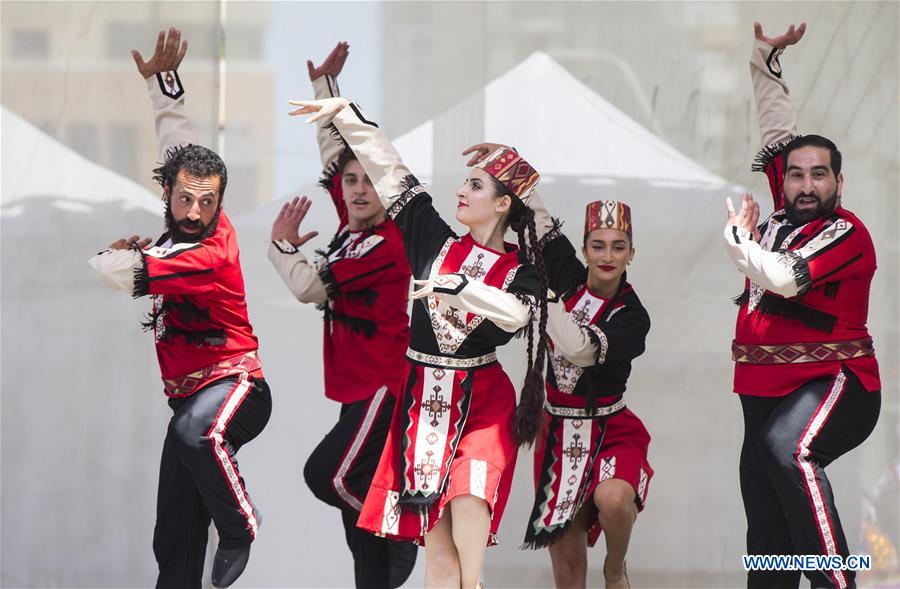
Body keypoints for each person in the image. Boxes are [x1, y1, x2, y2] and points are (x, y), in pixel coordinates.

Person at [288, 97, 549, 589]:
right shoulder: (433, 240)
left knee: (471, 498)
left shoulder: (523, 273)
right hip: (424, 403)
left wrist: (458, 287)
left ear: (501, 204)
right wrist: (345, 113)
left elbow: (515, 316)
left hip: (483, 400)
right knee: (438, 550)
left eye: (475, 184)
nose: (461, 190)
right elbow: (390, 169)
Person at [88, 28, 271, 589]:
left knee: (197, 433)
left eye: (207, 201)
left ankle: (241, 527)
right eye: (184, 198)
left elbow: (114, 272)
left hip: (238, 389)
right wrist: (162, 87)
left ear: (221, 202)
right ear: (167, 193)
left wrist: (124, 252)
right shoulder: (177, 221)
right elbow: (178, 147)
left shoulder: (208, 252)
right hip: (189, 397)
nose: (194, 211)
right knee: (173, 540)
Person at [723, 22, 881, 589]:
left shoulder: (845, 232)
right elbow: (777, 127)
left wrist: (741, 241)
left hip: (837, 383)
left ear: (840, 180)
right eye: (795, 175)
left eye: (819, 174)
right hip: (761, 387)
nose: (806, 184)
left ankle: (838, 582)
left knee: (787, 450)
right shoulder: (782, 214)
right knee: (766, 530)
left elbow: (786, 280)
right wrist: (766, 57)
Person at [266, 42, 416, 589]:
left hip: (386, 384)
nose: (355, 189)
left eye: (367, 183)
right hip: (358, 388)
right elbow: (337, 155)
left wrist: (282, 247)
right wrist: (326, 93)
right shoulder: (354, 228)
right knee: (355, 528)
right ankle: (380, 555)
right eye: (350, 184)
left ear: (387, 191)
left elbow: (309, 288)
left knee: (326, 476)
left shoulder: (387, 244)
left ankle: (397, 526)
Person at [470, 142, 651, 589]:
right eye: (598, 245)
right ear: (586, 250)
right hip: (559, 435)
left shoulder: (632, 316)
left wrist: (541, 296)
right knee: (567, 575)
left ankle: (615, 566)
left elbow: (581, 350)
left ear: (631, 253)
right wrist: (507, 161)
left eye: (618, 246)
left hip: (611, 429)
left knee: (612, 498)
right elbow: (537, 217)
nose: (607, 255)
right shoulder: (567, 276)